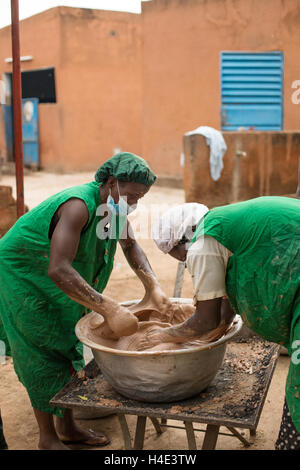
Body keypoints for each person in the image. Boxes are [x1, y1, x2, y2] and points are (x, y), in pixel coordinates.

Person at [0, 152, 170, 450]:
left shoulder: (111, 211)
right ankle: (48, 438)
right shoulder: (79, 206)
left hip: (52, 273)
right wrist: (109, 307)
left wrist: (152, 285)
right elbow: (59, 268)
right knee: (41, 349)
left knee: (68, 341)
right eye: (131, 195)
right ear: (113, 183)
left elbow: (131, 247)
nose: (133, 203)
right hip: (23, 275)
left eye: (140, 198)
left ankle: (67, 428)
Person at [151, 193, 300, 450]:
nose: (182, 261)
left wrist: (161, 336)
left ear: (181, 240)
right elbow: (225, 305)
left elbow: (205, 321)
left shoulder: (202, 243)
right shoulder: (223, 224)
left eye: (176, 254)